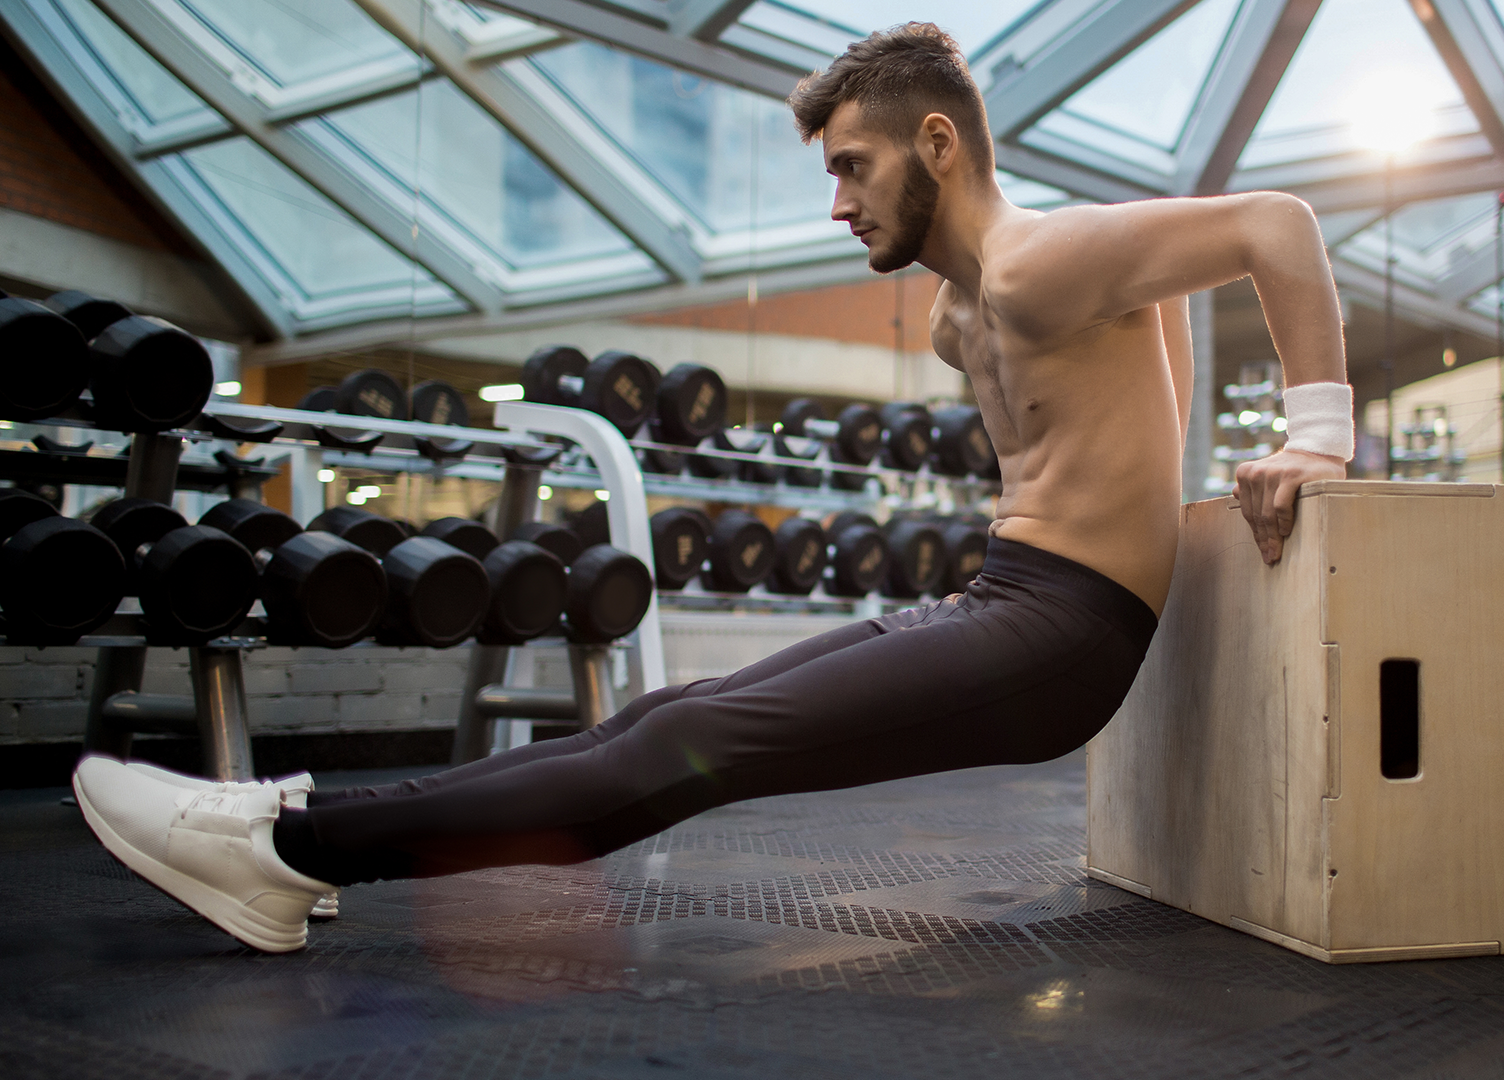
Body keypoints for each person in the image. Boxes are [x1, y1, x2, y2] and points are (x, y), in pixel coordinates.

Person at [70, 22, 1351, 953]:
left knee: (697, 748)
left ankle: (278, 852)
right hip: (997, 600)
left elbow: (1275, 230)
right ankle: (291, 826)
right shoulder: (962, 317)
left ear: (939, 143)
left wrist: (1316, 439)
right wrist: (1166, 464)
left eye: (853, 165)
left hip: (1061, 636)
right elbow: (1172, 288)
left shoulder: (1038, 262)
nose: (837, 199)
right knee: (665, 714)